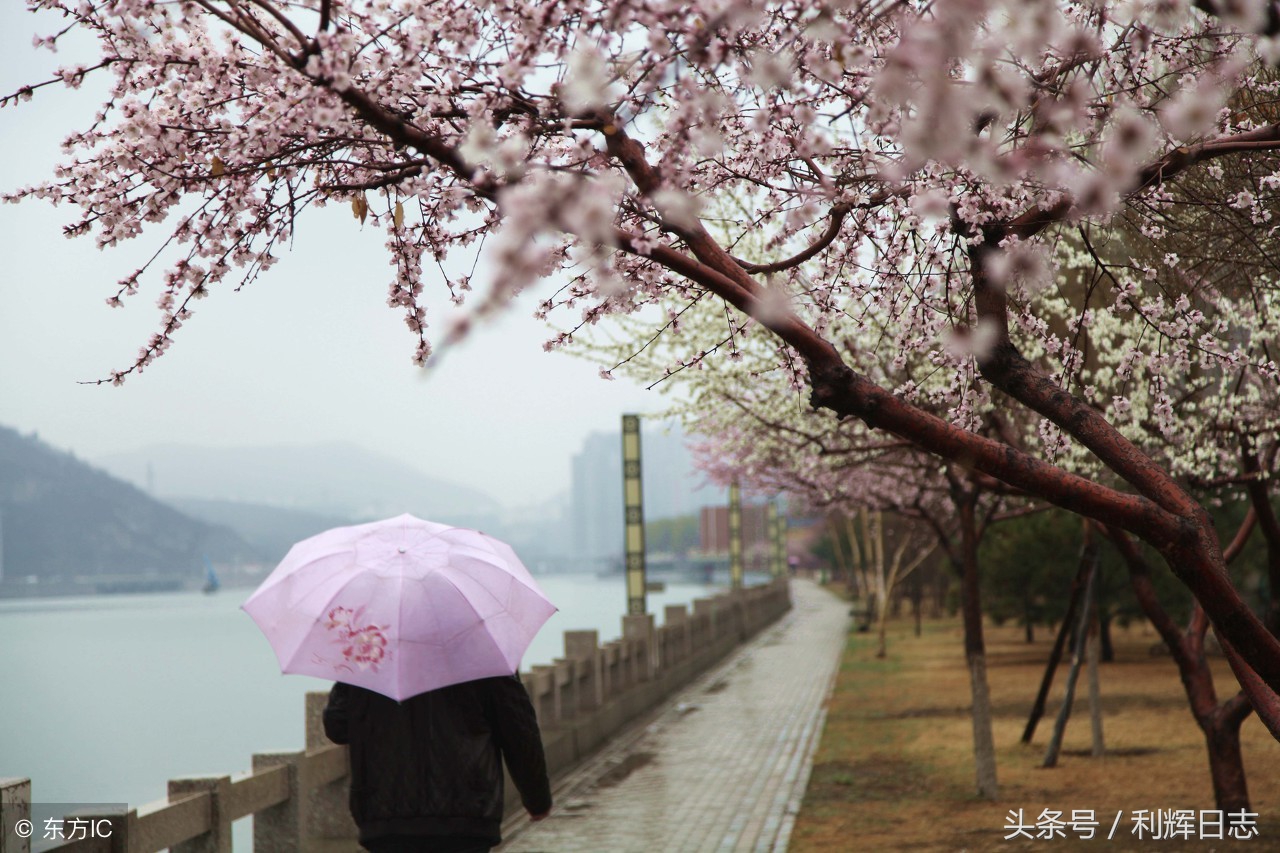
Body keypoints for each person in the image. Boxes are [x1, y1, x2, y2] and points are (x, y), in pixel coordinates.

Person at [323, 674, 552, 853]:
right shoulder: (484, 650)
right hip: (466, 809)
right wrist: (537, 798)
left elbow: (337, 726)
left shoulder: (372, 652)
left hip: (386, 813)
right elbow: (518, 729)